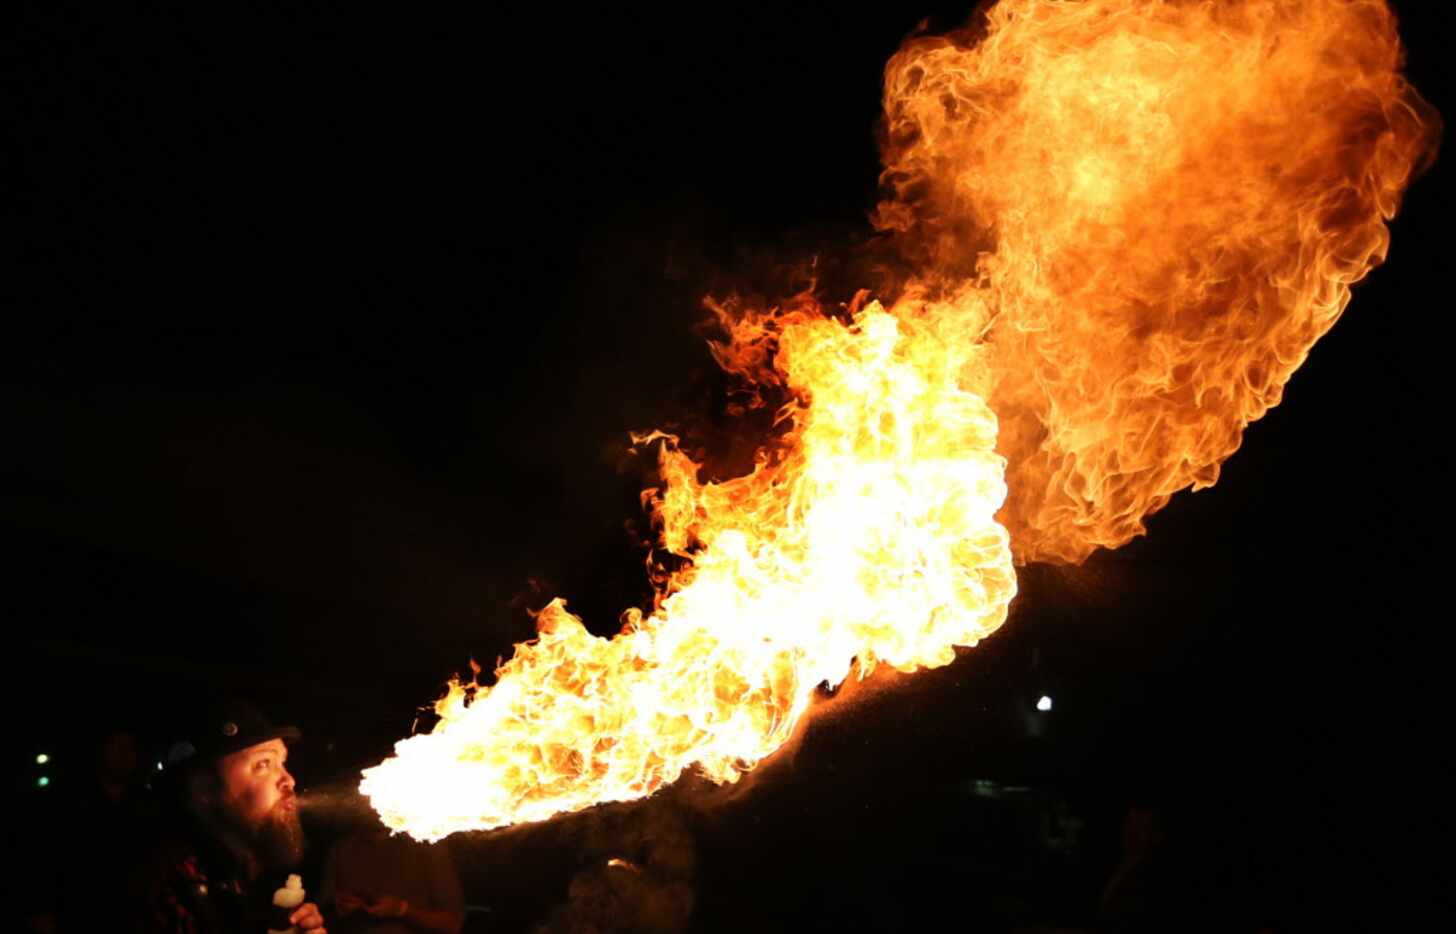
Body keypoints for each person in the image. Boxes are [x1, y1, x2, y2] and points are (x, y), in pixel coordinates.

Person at [129, 698, 330, 933]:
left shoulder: (240, 875)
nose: (289, 780)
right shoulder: (166, 886)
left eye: (282, 762)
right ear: (203, 788)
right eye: (264, 763)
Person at [320, 823, 465, 934]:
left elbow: (453, 923)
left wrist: (402, 910)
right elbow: (322, 914)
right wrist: (339, 904)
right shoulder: (342, 849)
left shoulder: (428, 846)